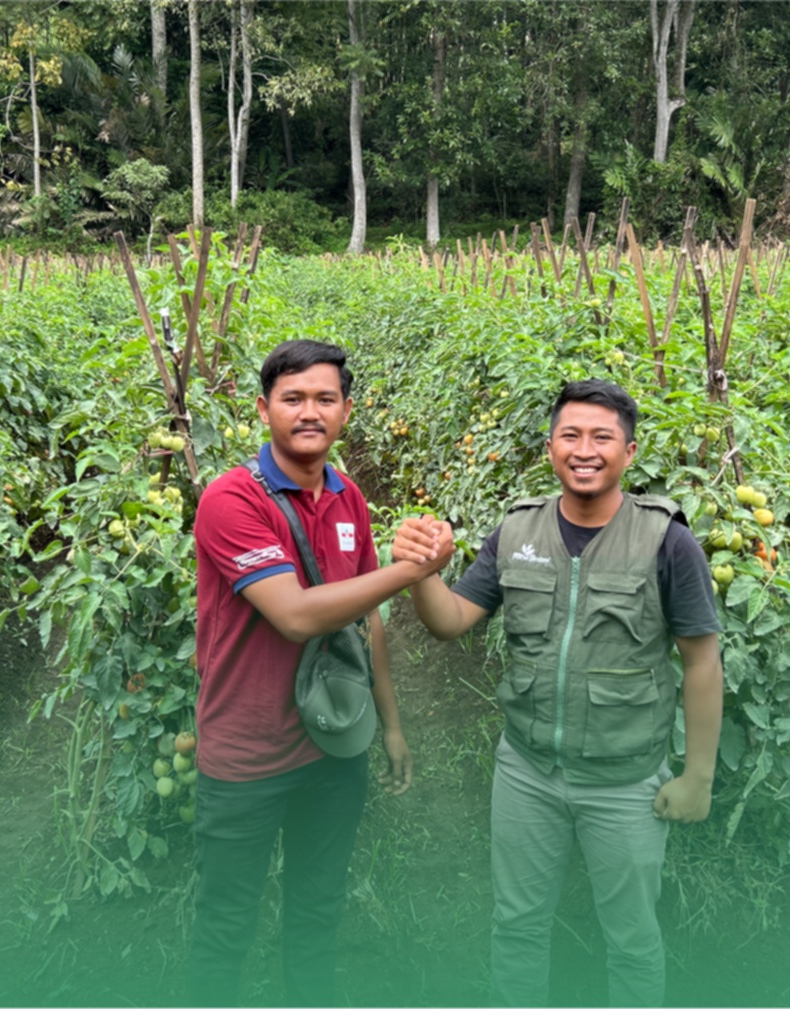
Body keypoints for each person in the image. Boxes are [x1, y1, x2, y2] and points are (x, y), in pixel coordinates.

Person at [391, 379, 724, 1007]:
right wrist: (421, 573)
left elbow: (702, 660)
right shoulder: (519, 529)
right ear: (550, 448)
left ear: (629, 452)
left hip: (625, 779)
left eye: (603, 437)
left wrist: (697, 776)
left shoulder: (666, 541)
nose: (585, 449)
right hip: (527, 771)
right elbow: (450, 620)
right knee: (517, 926)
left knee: (630, 937)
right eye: (570, 435)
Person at [189, 339, 453, 1007]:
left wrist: (389, 725)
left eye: (324, 398)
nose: (309, 412)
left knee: (316, 910)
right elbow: (297, 616)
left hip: (333, 749)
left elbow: (364, 624)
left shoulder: (348, 498)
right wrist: (409, 570)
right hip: (246, 753)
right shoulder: (229, 500)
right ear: (263, 408)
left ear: (345, 411)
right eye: (293, 398)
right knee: (226, 924)